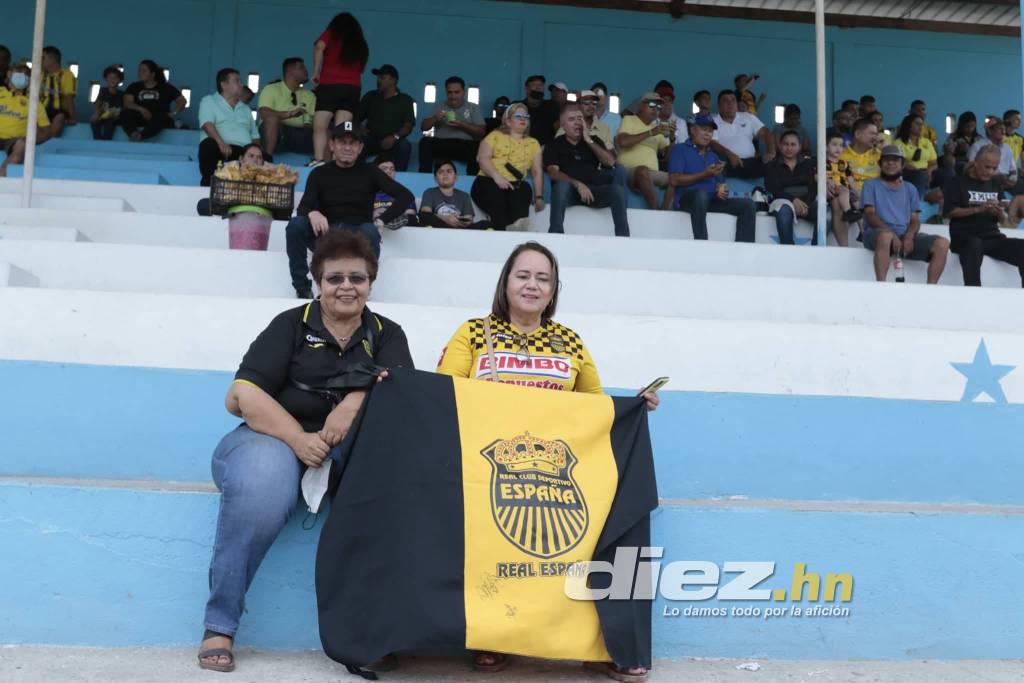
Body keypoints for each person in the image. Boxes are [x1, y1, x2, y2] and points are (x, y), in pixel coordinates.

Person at [436, 240, 659, 680]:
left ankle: (598, 642)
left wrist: (631, 409)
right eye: (523, 275)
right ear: (505, 282)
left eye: (543, 278)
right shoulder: (473, 332)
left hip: (556, 478)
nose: (532, 285)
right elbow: (443, 398)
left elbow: (594, 407)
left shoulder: (570, 340)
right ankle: (491, 636)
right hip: (490, 475)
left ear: (554, 290)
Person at [197, 230, 413, 673]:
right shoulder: (291, 324)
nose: (347, 286)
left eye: (358, 277)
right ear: (318, 281)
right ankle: (219, 624)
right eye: (335, 278)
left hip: (349, 452)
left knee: (393, 499)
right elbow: (242, 395)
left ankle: (372, 632)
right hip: (272, 440)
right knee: (261, 488)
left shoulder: (386, 334)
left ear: (372, 281)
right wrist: (300, 440)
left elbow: (403, 395)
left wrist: (354, 402)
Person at [286, 123, 414, 297]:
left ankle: (363, 288)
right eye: (342, 142)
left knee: (370, 230)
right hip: (326, 234)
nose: (347, 147)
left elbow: (406, 196)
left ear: (360, 148)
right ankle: (302, 288)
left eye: (353, 143)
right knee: (295, 225)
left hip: (357, 235)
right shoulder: (319, 173)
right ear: (332, 145)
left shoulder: (371, 172)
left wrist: (382, 220)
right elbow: (303, 207)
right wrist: (312, 212)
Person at [861, 146, 948, 284]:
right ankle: (880, 286)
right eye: (886, 160)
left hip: (903, 236)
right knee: (886, 236)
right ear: (880, 163)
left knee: (942, 244)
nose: (891, 163)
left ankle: (931, 289)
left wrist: (909, 236)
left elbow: (915, 220)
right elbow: (870, 214)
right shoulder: (870, 185)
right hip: (877, 233)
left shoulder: (910, 188)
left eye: (895, 160)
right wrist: (892, 234)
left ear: (902, 165)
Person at [944, 145, 1024, 287]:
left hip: (992, 237)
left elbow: (1003, 220)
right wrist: (978, 209)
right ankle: (974, 291)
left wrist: (999, 211)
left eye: (994, 168)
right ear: (976, 162)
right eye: (987, 167)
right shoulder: (957, 182)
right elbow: (950, 212)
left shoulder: (994, 183)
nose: (990, 172)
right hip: (964, 238)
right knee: (974, 244)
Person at [668, 115, 756, 242]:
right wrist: (704, 174)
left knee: (748, 205)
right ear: (693, 130)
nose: (708, 134)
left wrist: (721, 189)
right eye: (704, 129)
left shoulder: (713, 156)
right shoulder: (679, 149)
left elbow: (720, 186)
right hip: (687, 200)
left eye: (710, 131)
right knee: (701, 195)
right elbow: (674, 180)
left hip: (711, 201)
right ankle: (702, 244)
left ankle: (744, 250)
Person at [545, 103, 628, 237]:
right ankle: (556, 234)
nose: (577, 123)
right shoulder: (554, 145)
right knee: (561, 186)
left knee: (617, 188)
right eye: (571, 120)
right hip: (571, 192)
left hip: (594, 191)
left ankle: (624, 237)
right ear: (562, 124)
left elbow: (611, 162)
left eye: (579, 119)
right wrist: (577, 184)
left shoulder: (593, 140)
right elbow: (553, 173)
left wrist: (588, 139)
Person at [472, 102, 545, 230]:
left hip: (515, 185)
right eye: (518, 116)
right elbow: (483, 159)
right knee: (497, 197)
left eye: (526, 116)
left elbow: (537, 171)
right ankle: (502, 228)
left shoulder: (533, 143)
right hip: (488, 180)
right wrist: (497, 177)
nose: (523, 119)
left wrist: (539, 197)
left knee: (524, 188)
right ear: (508, 121)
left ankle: (517, 226)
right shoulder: (494, 136)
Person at [311, 12, 368, 165]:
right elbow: (361, 68)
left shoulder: (331, 34)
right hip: (352, 88)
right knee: (341, 129)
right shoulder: (359, 42)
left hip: (329, 85)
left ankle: (319, 160)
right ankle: (338, 163)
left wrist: (316, 72)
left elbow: (318, 47)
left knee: (320, 125)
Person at [198, 68, 261, 187]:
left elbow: (255, 137)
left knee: (265, 156)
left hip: (243, 152)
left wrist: (255, 152)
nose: (241, 84)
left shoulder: (245, 109)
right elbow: (207, 124)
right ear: (224, 85)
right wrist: (221, 143)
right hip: (221, 150)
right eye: (237, 81)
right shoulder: (209, 101)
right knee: (208, 145)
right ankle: (211, 184)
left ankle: (256, 191)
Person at [615, 93, 672, 210]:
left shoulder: (657, 127)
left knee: (677, 178)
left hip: (652, 174)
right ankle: (655, 210)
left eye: (658, 107)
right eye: (652, 104)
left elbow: (667, 157)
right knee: (642, 170)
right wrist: (650, 132)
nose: (655, 109)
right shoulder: (629, 119)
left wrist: (672, 139)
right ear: (641, 105)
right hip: (629, 171)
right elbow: (623, 142)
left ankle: (665, 212)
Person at [418, 76, 486, 174]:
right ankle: (424, 176)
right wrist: (435, 119)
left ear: (464, 92)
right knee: (425, 142)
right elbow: (423, 127)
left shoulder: (472, 107)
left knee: (478, 146)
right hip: (442, 143)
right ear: (446, 92)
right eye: (450, 92)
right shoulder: (439, 106)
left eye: (457, 92)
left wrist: (462, 124)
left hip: (465, 145)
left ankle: (473, 180)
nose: (453, 96)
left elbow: (482, 132)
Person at [356, 64, 414, 171]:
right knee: (357, 142)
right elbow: (356, 118)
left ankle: (399, 179)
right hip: (372, 139)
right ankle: (357, 175)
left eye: (382, 78)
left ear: (393, 80)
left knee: (404, 146)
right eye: (378, 78)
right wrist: (360, 128)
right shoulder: (370, 96)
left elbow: (408, 125)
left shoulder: (405, 100)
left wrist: (394, 137)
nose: (378, 80)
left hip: (394, 140)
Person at [763, 130, 817, 245]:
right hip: (782, 201)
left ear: (800, 147)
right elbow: (773, 189)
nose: (789, 148)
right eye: (785, 144)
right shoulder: (772, 166)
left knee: (825, 213)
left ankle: (816, 249)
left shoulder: (809, 164)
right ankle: (788, 250)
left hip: (806, 202)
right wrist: (793, 201)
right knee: (784, 211)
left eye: (793, 144)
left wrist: (805, 204)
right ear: (780, 146)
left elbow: (813, 187)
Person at [257, 57, 316, 157]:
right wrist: (289, 114)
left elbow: (313, 122)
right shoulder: (271, 89)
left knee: (325, 128)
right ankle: (267, 159)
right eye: (301, 67)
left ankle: (322, 164)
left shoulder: (309, 95)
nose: (306, 70)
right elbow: (264, 113)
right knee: (271, 119)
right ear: (289, 71)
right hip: (280, 133)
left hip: (301, 135)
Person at [0, 64, 50, 178]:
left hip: (14, 140)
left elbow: (46, 131)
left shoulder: (34, 102)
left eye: (26, 74)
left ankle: (1, 176)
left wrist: (29, 139)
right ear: (9, 74)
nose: (22, 76)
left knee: (23, 144)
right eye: (19, 72)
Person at [714, 89, 775, 179]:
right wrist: (729, 154)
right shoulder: (712, 121)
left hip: (751, 161)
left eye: (733, 100)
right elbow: (712, 143)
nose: (730, 103)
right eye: (725, 100)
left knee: (775, 165)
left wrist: (771, 152)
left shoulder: (747, 117)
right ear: (719, 106)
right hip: (727, 162)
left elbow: (766, 132)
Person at [121, 60, 185, 141]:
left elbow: (182, 101)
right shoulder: (134, 86)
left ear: (152, 74)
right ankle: (133, 133)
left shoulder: (165, 87)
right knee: (125, 113)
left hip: (158, 119)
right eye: (139, 70)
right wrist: (142, 109)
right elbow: (127, 103)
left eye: (144, 70)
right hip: (140, 117)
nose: (140, 73)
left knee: (163, 118)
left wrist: (173, 113)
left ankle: (141, 136)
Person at [195, 143, 266, 216]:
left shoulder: (268, 177)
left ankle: (240, 213)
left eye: (259, 157)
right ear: (241, 159)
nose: (255, 160)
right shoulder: (229, 171)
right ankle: (240, 212)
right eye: (251, 156)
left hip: (257, 207)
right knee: (203, 204)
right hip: (232, 205)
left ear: (262, 162)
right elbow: (220, 196)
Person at [419, 160, 484, 229]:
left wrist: (459, 220)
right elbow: (425, 214)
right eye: (441, 172)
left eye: (449, 171)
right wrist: (446, 219)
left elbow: (469, 219)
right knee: (424, 216)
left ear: (456, 177)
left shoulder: (464, 196)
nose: (445, 174)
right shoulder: (429, 192)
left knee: (485, 223)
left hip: (458, 228)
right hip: (437, 227)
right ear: (435, 178)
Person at [825, 132, 859, 247]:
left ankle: (863, 232)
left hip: (846, 192)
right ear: (825, 147)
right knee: (840, 196)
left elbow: (850, 179)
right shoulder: (822, 162)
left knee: (860, 203)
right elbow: (817, 176)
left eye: (841, 145)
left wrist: (857, 192)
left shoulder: (844, 163)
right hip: (832, 190)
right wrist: (827, 181)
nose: (838, 148)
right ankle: (848, 211)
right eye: (834, 144)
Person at [967, 119, 1018, 192]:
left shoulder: (1007, 148)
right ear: (989, 131)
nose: (1003, 132)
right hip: (986, 181)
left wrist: (1012, 181)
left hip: (1008, 182)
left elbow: (1013, 170)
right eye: (1000, 129)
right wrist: (994, 177)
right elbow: (971, 169)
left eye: (1004, 129)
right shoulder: (977, 146)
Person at [893, 114, 938, 197]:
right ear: (909, 126)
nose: (921, 127)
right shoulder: (899, 143)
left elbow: (934, 162)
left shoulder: (926, 142)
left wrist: (929, 171)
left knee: (947, 172)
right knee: (919, 175)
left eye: (922, 124)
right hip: (908, 173)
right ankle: (919, 201)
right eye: (917, 124)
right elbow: (899, 162)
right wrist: (917, 170)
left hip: (926, 172)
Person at [39, 46, 76, 138]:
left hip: (59, 111)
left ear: (53, 59)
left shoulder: (66, 74)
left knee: (59, 119)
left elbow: (69, 97)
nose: (39, 60)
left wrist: (72, 117)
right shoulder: (40, 74)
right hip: (41, 110)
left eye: (43, 58)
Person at [372, 156, 418, 228]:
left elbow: (411, 213)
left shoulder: (403, 192)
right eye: (384, 168)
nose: (388, 171)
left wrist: (388, 215)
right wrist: (373, 212)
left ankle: (385, 222)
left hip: (400, 224)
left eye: (392, 169)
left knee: (411, 218)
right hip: (373, 222)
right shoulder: (367, 191)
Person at [839, 118, 880, 195]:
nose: (875, 138)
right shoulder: (840, 155)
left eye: (876, 134)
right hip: (851, 198)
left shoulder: (879, 155)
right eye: (872, 133)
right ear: (857, 134)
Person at [517, 75, 558, 146]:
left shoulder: (552, 106)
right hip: (521, 148)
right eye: (534, 85)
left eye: (541, 85)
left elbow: (558, 127)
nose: (538, 87)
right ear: (526, 89)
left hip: (546, 149)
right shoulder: (518, 107)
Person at [90, 65, 123, 141]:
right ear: (106, 79)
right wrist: (96, 114)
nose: (112, 80)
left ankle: (106, 143)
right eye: (110, 77)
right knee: (94, 122)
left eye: (115, 77)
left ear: (119, 80)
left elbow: (121, 110)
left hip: (114, 117)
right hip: (103, 115)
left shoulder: (121, 94)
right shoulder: (103, 90)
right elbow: (98, 102)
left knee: (109, 123)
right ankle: (98, 141)